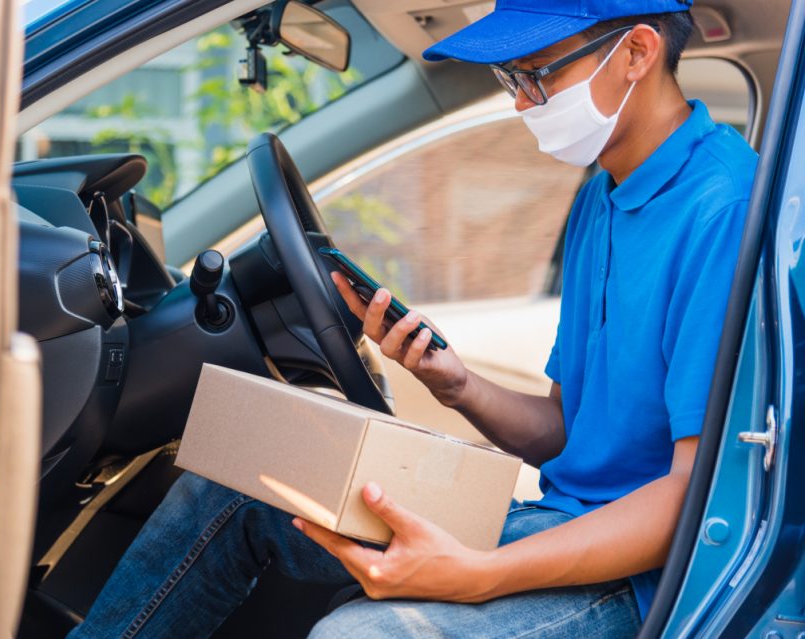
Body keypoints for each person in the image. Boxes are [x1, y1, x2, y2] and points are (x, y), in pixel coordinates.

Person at [69, 0, 758, 636]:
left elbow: (692, 496)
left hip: (635, 581)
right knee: (241, 480)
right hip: (555, 522)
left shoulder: (723, 209)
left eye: (537, 75)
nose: (520, 102)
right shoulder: (603, 194)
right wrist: (454, 384)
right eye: (508, 77)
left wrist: (477, 574)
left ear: (636, 52)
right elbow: (566, 432)